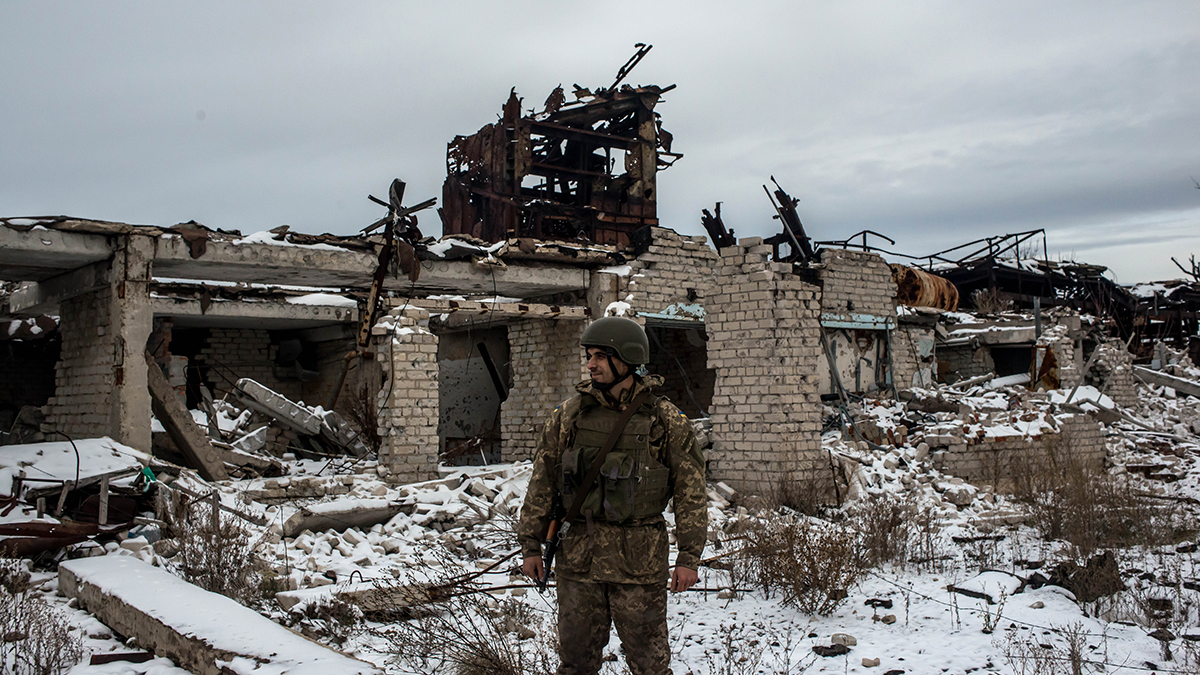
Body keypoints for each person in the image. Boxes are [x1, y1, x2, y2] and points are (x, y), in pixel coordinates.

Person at [517, 316, 708, 675]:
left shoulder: (664, 419)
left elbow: (690, 492)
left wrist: (689, 557)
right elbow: (542, 481)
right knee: (575, 664)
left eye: (601, 356)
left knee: (650, 665)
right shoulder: (569, 415)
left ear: (628, 359)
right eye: (590, 356)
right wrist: (530, 545)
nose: (591, 364)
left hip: (638, 562)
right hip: (578, 561)